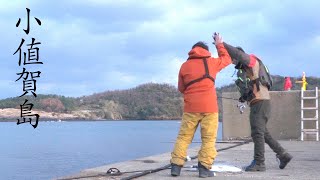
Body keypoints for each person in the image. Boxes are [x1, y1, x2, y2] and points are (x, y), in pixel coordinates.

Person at [222, 42, 293, 172]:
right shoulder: (248, 69)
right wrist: (243, 98)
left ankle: (259, 163)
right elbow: (251, 87)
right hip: (261, 102)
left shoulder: (251, 61)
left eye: (232, 59)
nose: (232, 62)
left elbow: (237, 54)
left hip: (260, 103)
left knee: (257, 133)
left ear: (239, 57)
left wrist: (221, 44)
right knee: (263, 133)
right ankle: (283, 154)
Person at [170, 33, 232, 178]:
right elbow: (227, 59)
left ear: (192, 51)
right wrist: (219, 45)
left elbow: (181, 88)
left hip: (191, 108)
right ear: (206, 50)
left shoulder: (184, 66)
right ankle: (204, 169)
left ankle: (176, 167)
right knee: (209, 139)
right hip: (210, 108)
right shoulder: (212, 62)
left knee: (184, 137)